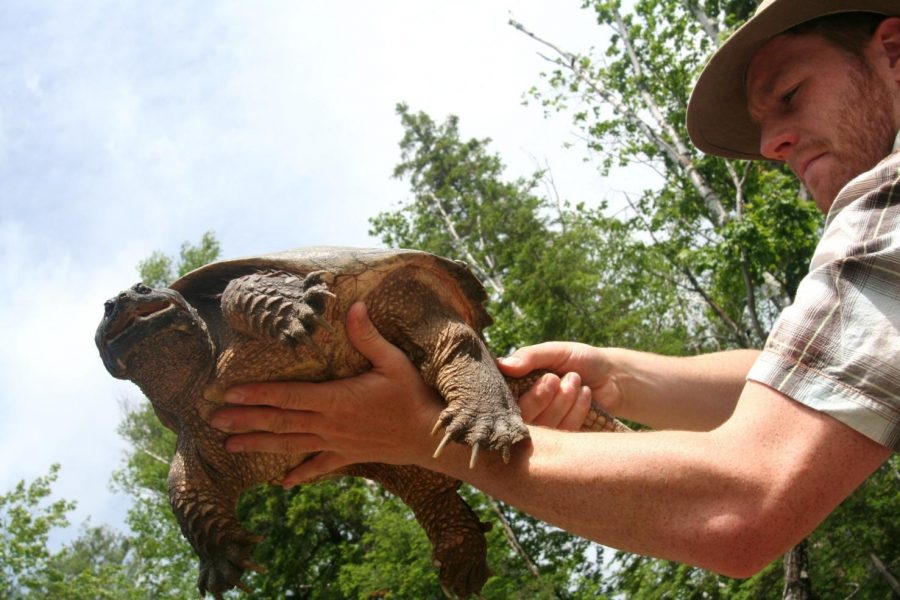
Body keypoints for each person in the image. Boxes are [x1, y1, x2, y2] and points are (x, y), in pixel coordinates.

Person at [210, 0, 899, 577]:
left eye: (789, 95)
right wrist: (617, 376)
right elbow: (811, 379)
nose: (773, 141)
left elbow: (742, 504)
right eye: (765, 124)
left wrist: (425, 439)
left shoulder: (885, 201)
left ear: (893, 51)